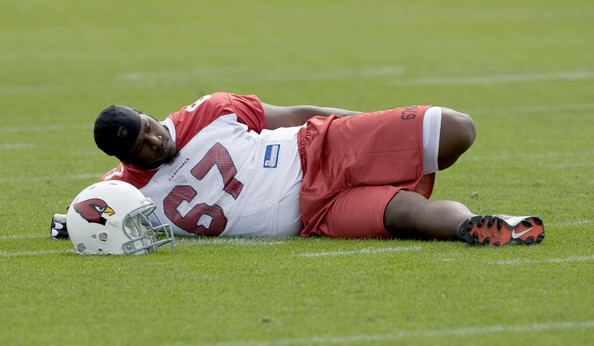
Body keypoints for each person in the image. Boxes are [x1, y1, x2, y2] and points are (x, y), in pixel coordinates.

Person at [55, 92, 544, 246]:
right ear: (124, 159)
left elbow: (290, 116)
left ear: (147, 115)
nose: (154, 139)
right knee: (406, 215)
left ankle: (476, 218)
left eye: (147, 126)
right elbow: (89, 212)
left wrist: (368, 125)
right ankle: (480, 227)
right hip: (314, 216)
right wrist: (66, 226)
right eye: (142, 145)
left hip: (319, 150)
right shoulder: (125, 188)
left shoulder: (206, 112)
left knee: (456, 129)